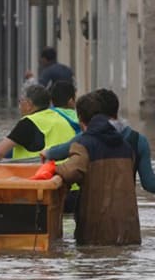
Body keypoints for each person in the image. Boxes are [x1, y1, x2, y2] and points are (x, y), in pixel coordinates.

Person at [44, 88, 155, 196]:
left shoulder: (86, 138)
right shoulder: (139, 140)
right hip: (127, 213)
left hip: (93, 214)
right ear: (116, 111)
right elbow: (150, 184)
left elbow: (60, 152)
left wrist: (46, 153)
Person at [54, 93, 140, 246]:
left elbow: (70, 171)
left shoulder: (83, 144)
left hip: (97, 231)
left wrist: (52, 168)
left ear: (81, 119)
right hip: (128, 230)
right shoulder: (126, 146)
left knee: (94, 264)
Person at [0, 84, 76, 159]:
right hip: (65, 171)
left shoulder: (28, 122)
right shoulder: (61, 118)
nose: (19, 107)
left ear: (29, 104)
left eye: (21, 101)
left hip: (37, 173)